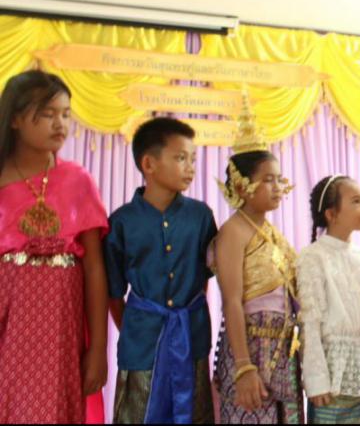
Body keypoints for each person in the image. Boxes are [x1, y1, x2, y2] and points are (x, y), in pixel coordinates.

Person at [0, 70, 109, 423]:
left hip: (60, 332)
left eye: (65, 114)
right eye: (47, 114)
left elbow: (94, 267)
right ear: (15, 119)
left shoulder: (78, 180)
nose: (60, 124)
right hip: (8, 325)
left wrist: (98, 349)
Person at [104, 117, 217, 423]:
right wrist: (136, 326)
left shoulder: (201, 217)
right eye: (180, 158)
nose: (190, 167)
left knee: (194, 412)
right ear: (148, 164)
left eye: (193, 159)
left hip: (191, 337)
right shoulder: (122, 222)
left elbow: (204, 277)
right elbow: (113, 291)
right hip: (141, 344)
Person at [212, 106, 304, 423]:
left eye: (279, 179)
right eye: (268, 180)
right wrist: (243, 366)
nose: (278, 187)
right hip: (249, 350)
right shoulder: (233, 232)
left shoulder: (275, 235)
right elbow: (231, 301)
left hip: (283, 352)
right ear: (241, 186)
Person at [297, 175, 360, 424]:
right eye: (355, 201)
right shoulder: (313, 258)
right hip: (334, 387)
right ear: (331, 214)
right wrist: (316, 380)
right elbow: (310, 324)